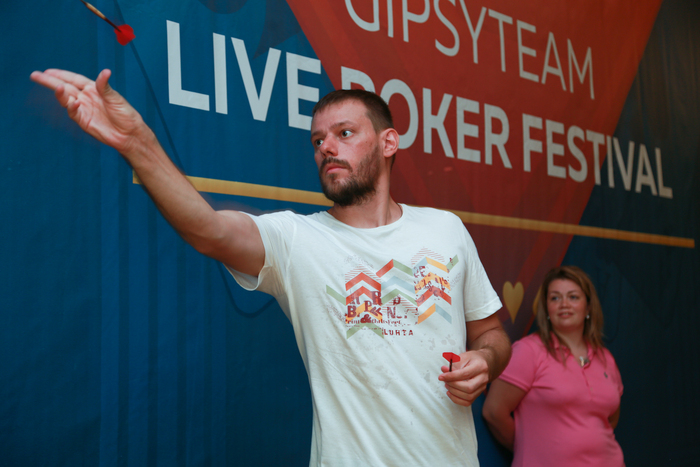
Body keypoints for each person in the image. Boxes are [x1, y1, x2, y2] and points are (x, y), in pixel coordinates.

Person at [30, 68, 511, 466]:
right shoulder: (297, 239)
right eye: (318, 140)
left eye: (344, 134)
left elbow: (491, 334)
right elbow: (208, 230)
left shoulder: (445, 229)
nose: (327, 147)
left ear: (388, 143)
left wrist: (485, 361)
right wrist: (138, 142)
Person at [482, 266, 624, 466]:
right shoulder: (528, 351)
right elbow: (494, 412)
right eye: (555, 298)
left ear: (588, 307)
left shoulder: (605, 358)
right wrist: (531, 447)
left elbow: (610, 420)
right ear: (546, 308)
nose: (564, 304)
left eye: (573, 297)